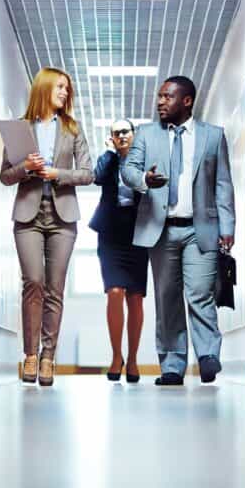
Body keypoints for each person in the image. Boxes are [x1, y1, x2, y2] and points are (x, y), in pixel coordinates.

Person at [121, 76, 235, 386]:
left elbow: (222, 184)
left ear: (186, 101)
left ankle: (208, 354)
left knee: (201, 294)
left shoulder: (213, 137)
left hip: (201, 229)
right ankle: (172, 365)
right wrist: (144, 179)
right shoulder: (145, 134)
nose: (160, 102)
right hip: (161, 230)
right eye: (159, 96)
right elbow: (128, 170)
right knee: (167, 299)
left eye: (167, 97)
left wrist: (228, 226)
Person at [0, 67, 93, 387]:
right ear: (44, 88)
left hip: (63, 216)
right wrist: (26, 167)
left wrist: (57, 174)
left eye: (68, 88)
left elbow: (87, 173)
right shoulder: (19, 128)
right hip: (28, 215)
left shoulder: (72, 128)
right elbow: (5, 176)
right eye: (60, 87)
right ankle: (29, 354)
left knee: (55, 288)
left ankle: (48, 357)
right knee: (34, 283)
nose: (65, 93)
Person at [89, 119, 148, 384]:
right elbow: (98, 178)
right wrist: (111, 152)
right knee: (114, 292)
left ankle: (133, 359)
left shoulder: (144, 160)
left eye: (125, 131)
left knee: (135, 297)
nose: (121, 135)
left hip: (138, 232)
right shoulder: (109, 160)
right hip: (111, 234)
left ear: (134, 135)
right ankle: (116, 356)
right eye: (116, 133)